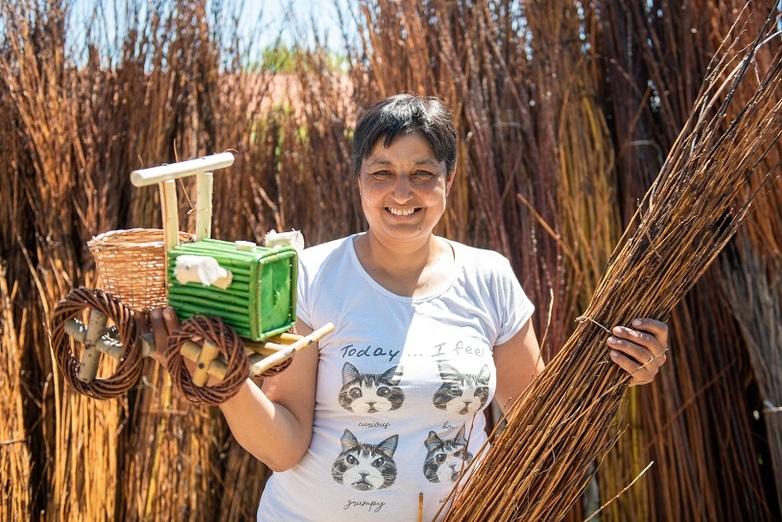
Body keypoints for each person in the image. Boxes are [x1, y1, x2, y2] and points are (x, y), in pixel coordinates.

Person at [149, 94, 669, 521]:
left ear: (448, 180)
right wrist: (228, 383)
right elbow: (284, 445)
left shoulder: (488, 279)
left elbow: (538, 424)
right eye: (382, 173)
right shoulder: (311, 276)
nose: (402, 192)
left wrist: (622, 372)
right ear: (359, 180)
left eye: (422, 173)